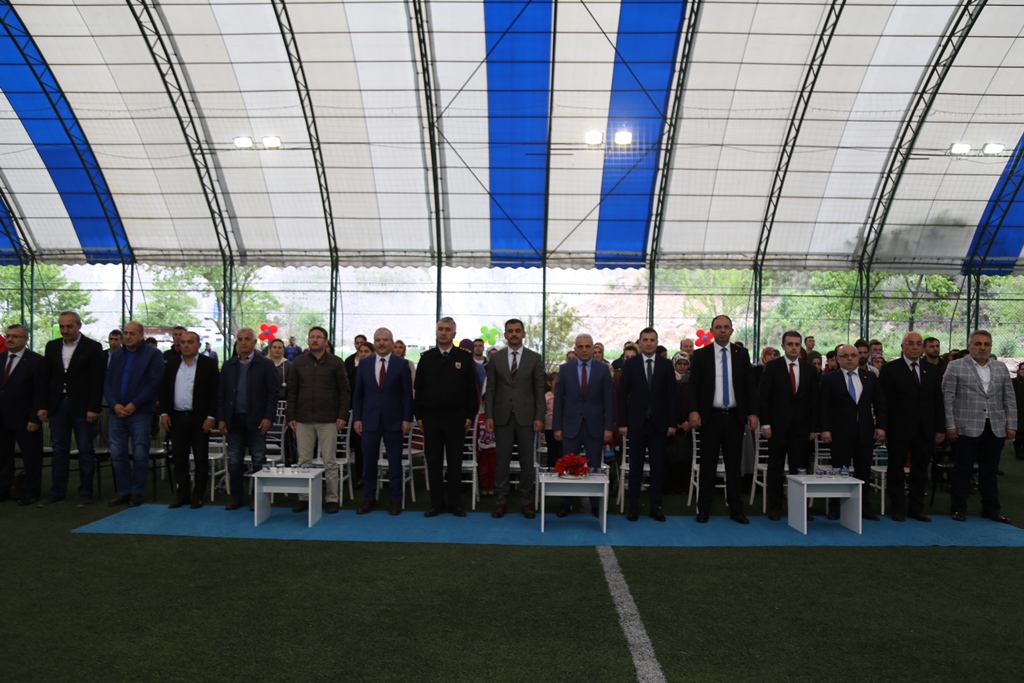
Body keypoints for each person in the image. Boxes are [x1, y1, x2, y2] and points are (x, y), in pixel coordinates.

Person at [688, 315, 758, 524]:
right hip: (710, 418)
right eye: (718, 327)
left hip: (734, 417)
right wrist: (694, 410)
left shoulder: (741, 354)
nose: (722, 330)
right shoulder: (701, 355)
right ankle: (704, 509)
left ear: (732, 330)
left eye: (726, 327)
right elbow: (694, 386)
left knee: (734, 466)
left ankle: (736, 509)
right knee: (707, 465)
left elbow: (749, 385)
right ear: (712, 331)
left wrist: (752, 412)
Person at [942, 330, 1016, 524]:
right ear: (969, 346)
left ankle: (991, 510)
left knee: (990, 472)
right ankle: (958, 509)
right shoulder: (955, 366)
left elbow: (1009, 398)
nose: (982, 348)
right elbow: (947, 398)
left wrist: (1011, 424)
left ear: (990, 346)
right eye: (978, 344)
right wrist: (950, 425)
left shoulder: (1001, 368)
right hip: (965, 427)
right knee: (963, 471)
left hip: (995, 427)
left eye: (986, 344)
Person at [39, 311, 105, 507]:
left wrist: (94, 407)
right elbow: (45, 377)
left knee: (85, 449)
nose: (65, 330)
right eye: (62, 326)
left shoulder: (93, 347)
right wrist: (43, 405)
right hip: (57, 404)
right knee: (59, 449)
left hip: (83, 406)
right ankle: (57, 492)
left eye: (69, 326)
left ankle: (85, 492)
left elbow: (98, 380)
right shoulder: (52, 346)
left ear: (79, 326)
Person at [414, 317, 479, 517]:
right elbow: (418, 390)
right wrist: (419, 416)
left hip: (456, 418)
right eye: (440, 329)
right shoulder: (426, 358)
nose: (443, 333)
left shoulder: (464, 358)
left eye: (448, 329)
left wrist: (470, 416)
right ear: (436, 332)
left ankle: (455, 503)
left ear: (454, 334)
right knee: (433, 462)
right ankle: (436, 504)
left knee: (455, 462)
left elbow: (472, 390)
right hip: (431, 417)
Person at [877, 332, 945, 522]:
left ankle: (916, 508)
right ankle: (897, 508)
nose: (915, 347)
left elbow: (938, 401)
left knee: (921, 470)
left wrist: (940, 428)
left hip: (925, 429)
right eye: (911, 343)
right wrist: (883, 427)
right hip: (898, 429)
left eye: (918, 344)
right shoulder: (890, 369)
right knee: (896, 469)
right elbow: (883, 402)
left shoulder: (931, 370)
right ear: (903, 346)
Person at [484, 318, 545, 519]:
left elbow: (539, 390)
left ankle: (526, 502)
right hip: (502, 417)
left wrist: (539, 417)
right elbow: (491, 389)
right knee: (502, 460)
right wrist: (489, 415)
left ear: (524, 334)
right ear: (505, 334)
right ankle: (501, 501)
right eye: (510, 331)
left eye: (517, 330)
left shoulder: (535, 358)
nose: (514, 334)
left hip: (527, 418)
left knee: (527, 462)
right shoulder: (496, 358)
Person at [286, 326, 350, 514]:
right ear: (308, 340)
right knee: (304, 461)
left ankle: (332, 498)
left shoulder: (336, 363)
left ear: (325, 341)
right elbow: (292, 391)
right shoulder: (299, 362)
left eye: (318, 337)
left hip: (329, 419)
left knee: (329, 461)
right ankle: (304, 497)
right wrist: (291, 416)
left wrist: (342, 415)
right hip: (303, 419)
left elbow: (344, 391)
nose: (314, 340)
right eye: (312, 337)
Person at [819, 344, 886, 520]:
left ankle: (864, 507)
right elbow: (823, 406)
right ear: (838, 359)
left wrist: (881, 426)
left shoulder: (869, 377)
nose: (850, 359)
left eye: (853, 355)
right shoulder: (829, 379)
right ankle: (835, 507)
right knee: (839, 470)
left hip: (865, 432)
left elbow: (879, 403)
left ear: (858, 357)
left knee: (863, 471)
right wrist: (824, 429)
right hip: (839, 432)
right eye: (845, 356)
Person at [217, 327, 280, 511]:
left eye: (247, 339)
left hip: (257, 420)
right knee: (235, 460)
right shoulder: (229, 365)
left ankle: (258, 498)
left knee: (258, 459)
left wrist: (268, 417)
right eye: (240, 339)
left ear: (254, 342)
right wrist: (221, 418)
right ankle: (236, 497)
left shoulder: (265, 364)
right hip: (234, 420)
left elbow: (273, 394)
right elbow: (221, 394)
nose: (243, 342)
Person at [552, 334, 615, 518]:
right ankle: (566, 503)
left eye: (588, 346)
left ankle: (595, 504)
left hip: (595, 426)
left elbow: (609, 400)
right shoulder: (565, 369)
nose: (584, 349)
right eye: (581, 346)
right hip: (570, 425)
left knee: (594, 466)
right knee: (567, 465)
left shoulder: (603, 369)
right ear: (575, 348)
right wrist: (557, 427)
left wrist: (608, 427)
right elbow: (558, 400)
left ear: (593, 348)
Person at [618, 328, 677, 522]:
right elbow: (622, 395)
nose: (649, 343)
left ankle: (655, 507)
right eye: (645, 340)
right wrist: (623, 423)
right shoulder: (631, 364)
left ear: (657, 342)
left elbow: (672, 396)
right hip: (636, 424)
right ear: (640, 342)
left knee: (657, 467)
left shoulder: (666, 365)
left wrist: (672, 423)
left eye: (652, 340)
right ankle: (633, 507)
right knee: (635, 467)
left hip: (659, 425)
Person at [757, 331, 818, 521]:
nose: (794, 347)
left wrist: (813, 428)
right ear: (783, 346)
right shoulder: (772, 367)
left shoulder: (809, 369)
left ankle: (799, 507)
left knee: (799, 469)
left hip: (801, 428)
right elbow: (763, 398)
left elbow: (814, 401)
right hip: (776, 427)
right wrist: (765, 424)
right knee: (775, 468)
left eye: (797, 344)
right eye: (790, 344)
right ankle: (775, 507)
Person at [352, 328, 412, 515]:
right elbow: (358, 394)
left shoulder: (401, 364)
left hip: (394, 421)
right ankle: (369, 498)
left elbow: (407, 395)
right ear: (374, 342)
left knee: (394, 462)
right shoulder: (364, 364)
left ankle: (395, 500)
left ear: (392, 343)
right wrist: (357, 418)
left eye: (385, 340)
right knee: (369, 462)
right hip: (369, 420)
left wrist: (406, 419)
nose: (381, 343)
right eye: (378, 340)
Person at [104, 321, 165, 507]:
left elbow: (154, 383)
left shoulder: (153, 354)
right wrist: (114, 404)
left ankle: (136, 491)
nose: (128, 336)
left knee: (139, 453)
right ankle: (123, 491)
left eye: (132, 333)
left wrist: (134, 404)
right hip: (116, 412)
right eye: (126, 333)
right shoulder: (117, 355)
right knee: (117, 454)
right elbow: (107, 382)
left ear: (141, 335)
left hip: (140, 412)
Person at [160, 331, 219, 509]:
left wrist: (211, 416)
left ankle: (198, 495)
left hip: (200, 419)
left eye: (190, 342)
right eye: (183, 342)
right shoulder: (171, 363)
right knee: (179, 458)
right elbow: (164, 389)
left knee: (200, 458)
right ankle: (182, 495)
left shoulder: (208, 364)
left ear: (198, 345)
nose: (185, 345)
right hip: (177, 418)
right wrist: (164, 413)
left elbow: (215, 393)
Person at [0, 325, 47, 505]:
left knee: (31, 457)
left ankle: (31, 492)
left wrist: (34, 418)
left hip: (26, 418)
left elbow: (40, 392)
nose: (10, 339)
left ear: (26, 339)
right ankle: (4, 489)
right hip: (2, 417)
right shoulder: (1, 358)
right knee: (3, 456)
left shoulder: (36, 361)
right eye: (8, 336)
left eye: (15, 336)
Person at [663, 352, 692, 495]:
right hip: (670, 426)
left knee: (686, 456)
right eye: (679, 363)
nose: (682, 367)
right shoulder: (668, 380)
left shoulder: (692, 381)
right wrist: (672, 422)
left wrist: (689, 421)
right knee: (669, 455)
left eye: (685, 364)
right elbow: (664, 403)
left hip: (688, 426)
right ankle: (669, 487)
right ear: (674, 364)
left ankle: (684, 487)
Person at [1014, 362, 1024, 461]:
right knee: (1019, 433)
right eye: (1023, 369)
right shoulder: (1015, 382)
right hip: (1018, 411)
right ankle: (1019, 452)